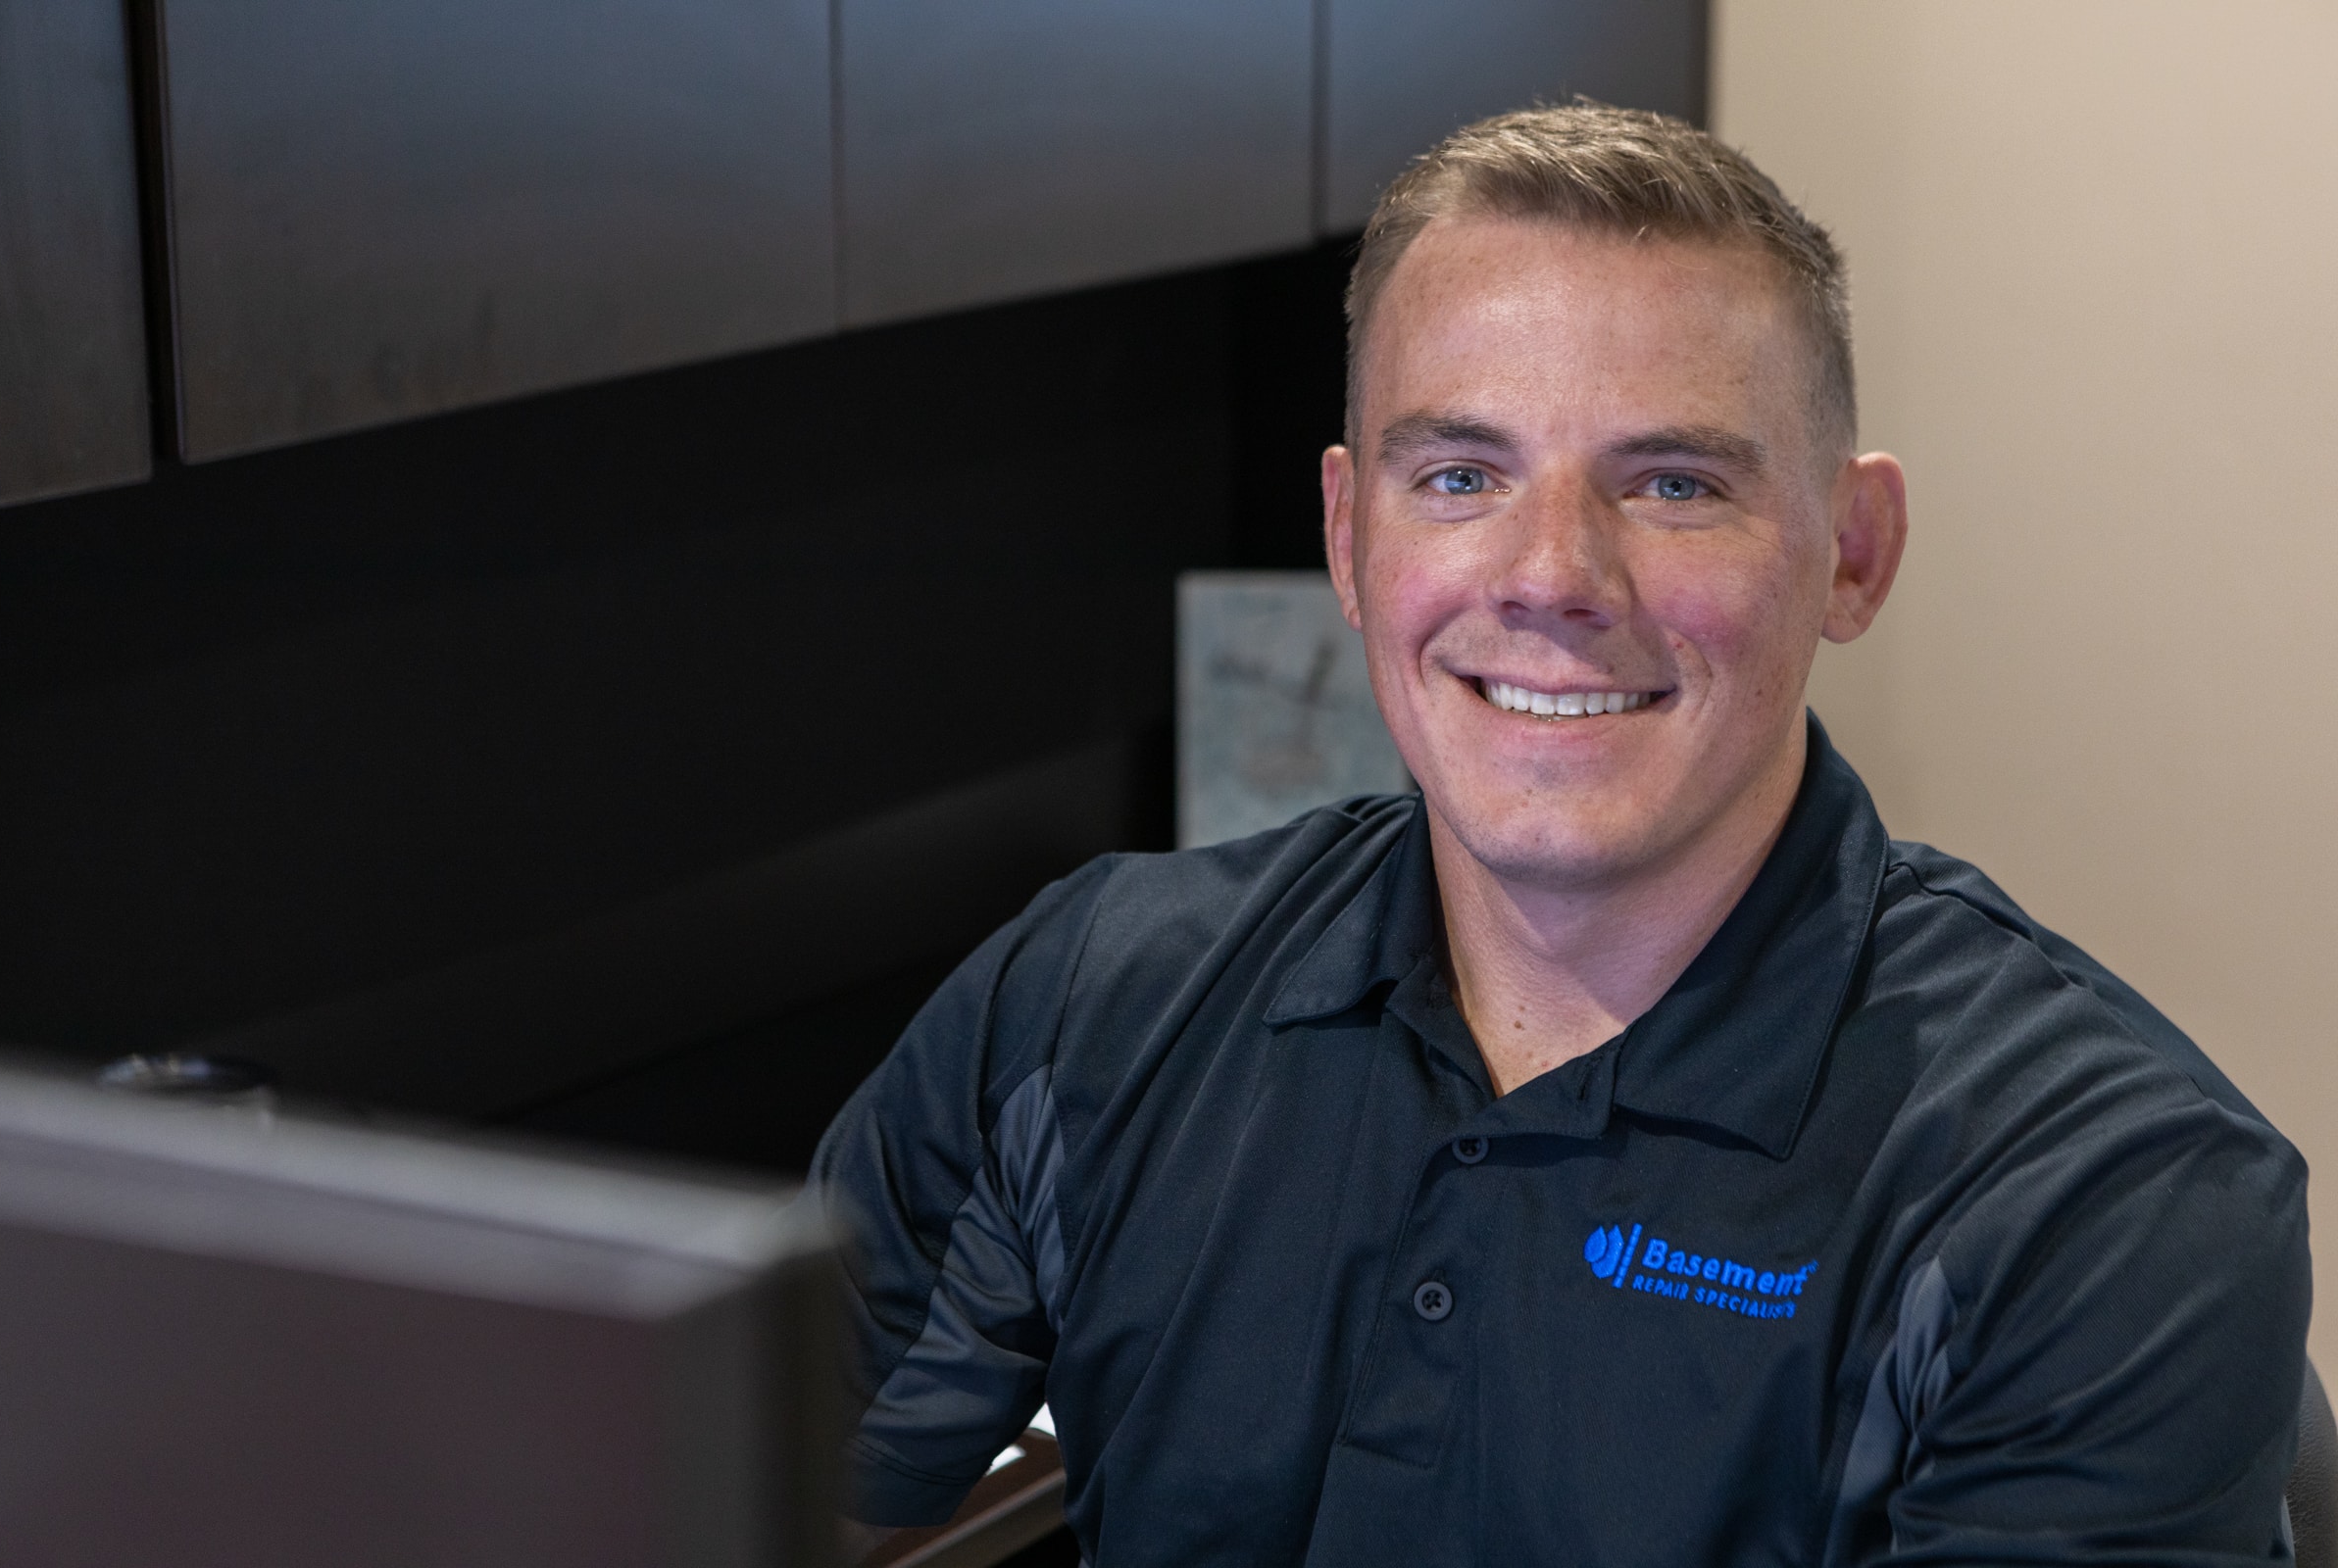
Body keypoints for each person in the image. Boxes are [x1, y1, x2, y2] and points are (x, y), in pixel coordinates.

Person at [809, 104, 2310, 1564]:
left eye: (1672, 484)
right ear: (1349, 539)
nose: (1552, 577)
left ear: (1851, 554)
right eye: (1460, 477)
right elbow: (747, 1491)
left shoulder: (2104, 1202)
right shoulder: (1087, 1003)